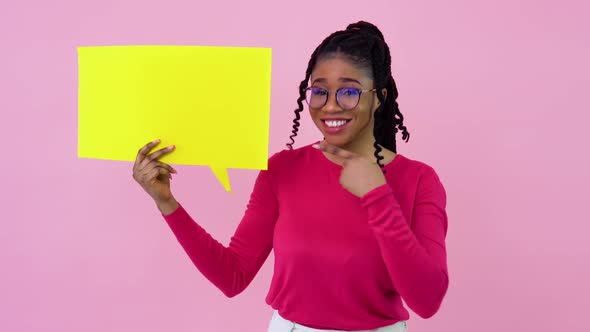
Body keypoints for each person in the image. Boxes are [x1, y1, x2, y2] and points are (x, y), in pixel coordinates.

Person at [132, 21, 448, 332]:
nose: (331, 106)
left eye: (349, 92)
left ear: (378, 96)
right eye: (319, 92)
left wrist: (377, 195)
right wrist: (166, 201)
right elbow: (233, 276)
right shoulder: (282, 170)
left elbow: (427, 299)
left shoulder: (419, 180)